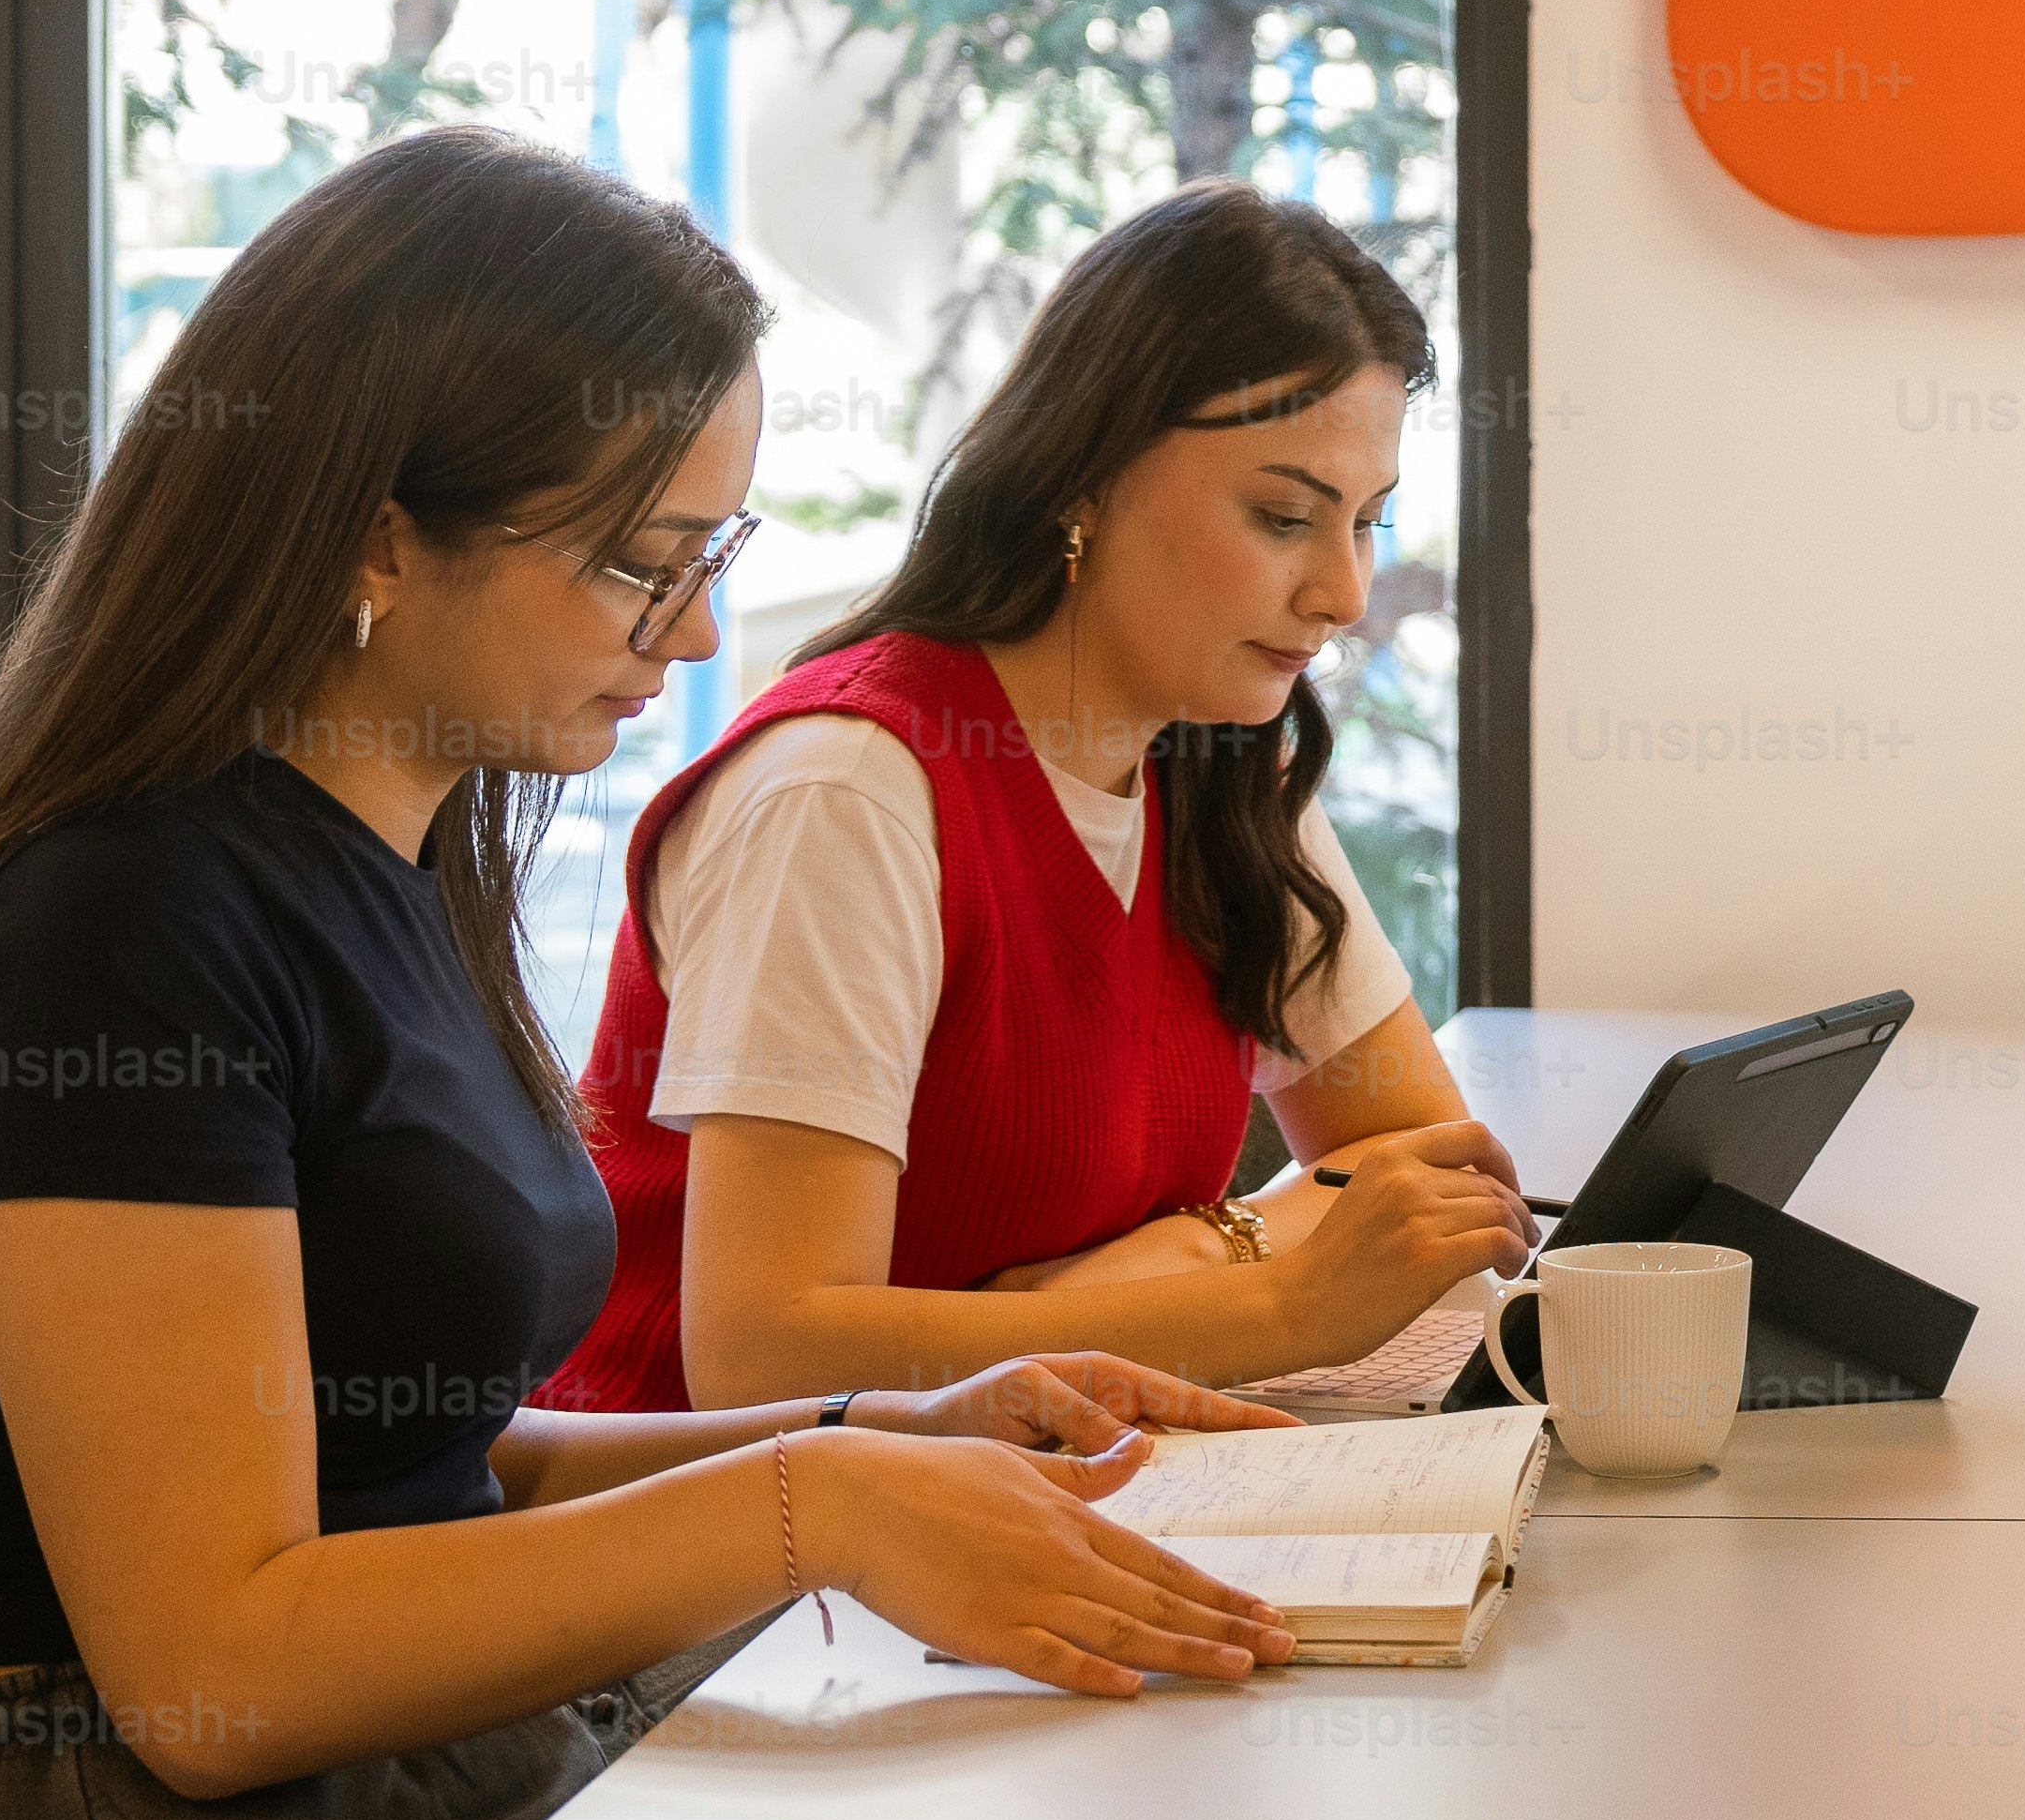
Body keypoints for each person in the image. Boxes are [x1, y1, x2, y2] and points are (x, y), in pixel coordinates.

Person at [0, 130, 1304, 1820]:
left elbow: (421, 1464)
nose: (696, 633)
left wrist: (874, 1432)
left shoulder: (394, 862)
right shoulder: (120, 929)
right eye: (638, 562)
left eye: (718, 550)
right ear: (371, 531)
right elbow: (212, 1658)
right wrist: (817, 1509)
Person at [540, 184, 1534, 1417]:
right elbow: (762, 1353)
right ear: (1084, 480)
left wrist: (1148, 1272)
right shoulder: (851, 792)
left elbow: (1425, 1184)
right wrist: (1268, 1298)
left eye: (1368, 524)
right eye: (1284, 516)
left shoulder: (1223, 757)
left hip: (1036, 1494)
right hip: (750, 1571)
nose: (1341, 591)